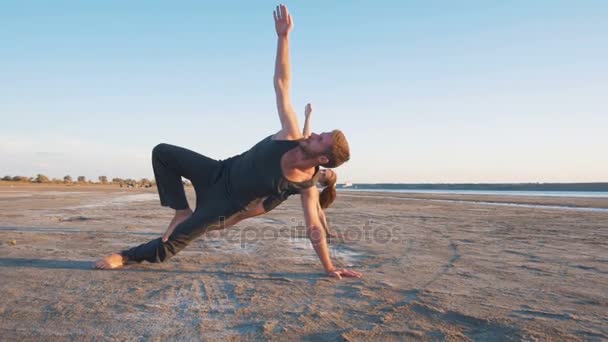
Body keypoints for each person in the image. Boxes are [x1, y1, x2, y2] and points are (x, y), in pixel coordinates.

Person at [94, 4, 361, 280]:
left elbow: (314, 225)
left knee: (168, 248)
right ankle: (182, 211)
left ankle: (125, 256)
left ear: (323, 159)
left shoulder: (305, 185)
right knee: (162, 153)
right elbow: (282, 83)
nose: (313, 133)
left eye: (320, 139)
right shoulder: (291, 134)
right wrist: (283, 38)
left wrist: (329, 267)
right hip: (216, 171)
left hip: (221, 207)